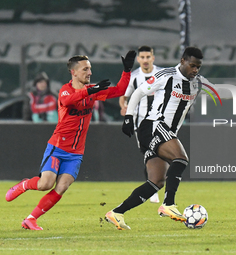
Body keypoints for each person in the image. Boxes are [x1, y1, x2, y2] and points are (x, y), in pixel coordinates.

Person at [5, 51, 136, 230]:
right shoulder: (66, 90)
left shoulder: (93, 91)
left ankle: (31, 219)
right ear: (73, 72)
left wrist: (127, 70)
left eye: (90, 69)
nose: (89, 73)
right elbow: (68, 101)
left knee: (62, 186)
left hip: (76, 152)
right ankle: (26, 184)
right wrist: (91, 90)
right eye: (85, 69)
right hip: (58, 147)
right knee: (45, 184)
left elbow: (120, 90)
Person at [119, 45, 163, 203]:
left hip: (161, 121)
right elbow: (123, 96)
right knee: (149, 155)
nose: (145, 60)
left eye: (148, 57)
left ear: (153, 58)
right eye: (142, 57)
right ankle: (153, 188)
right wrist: (124, 106)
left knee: (162, 154)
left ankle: (157, 185)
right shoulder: (134, 77)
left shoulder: (161, 74)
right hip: (141, 123)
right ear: (138, 59)